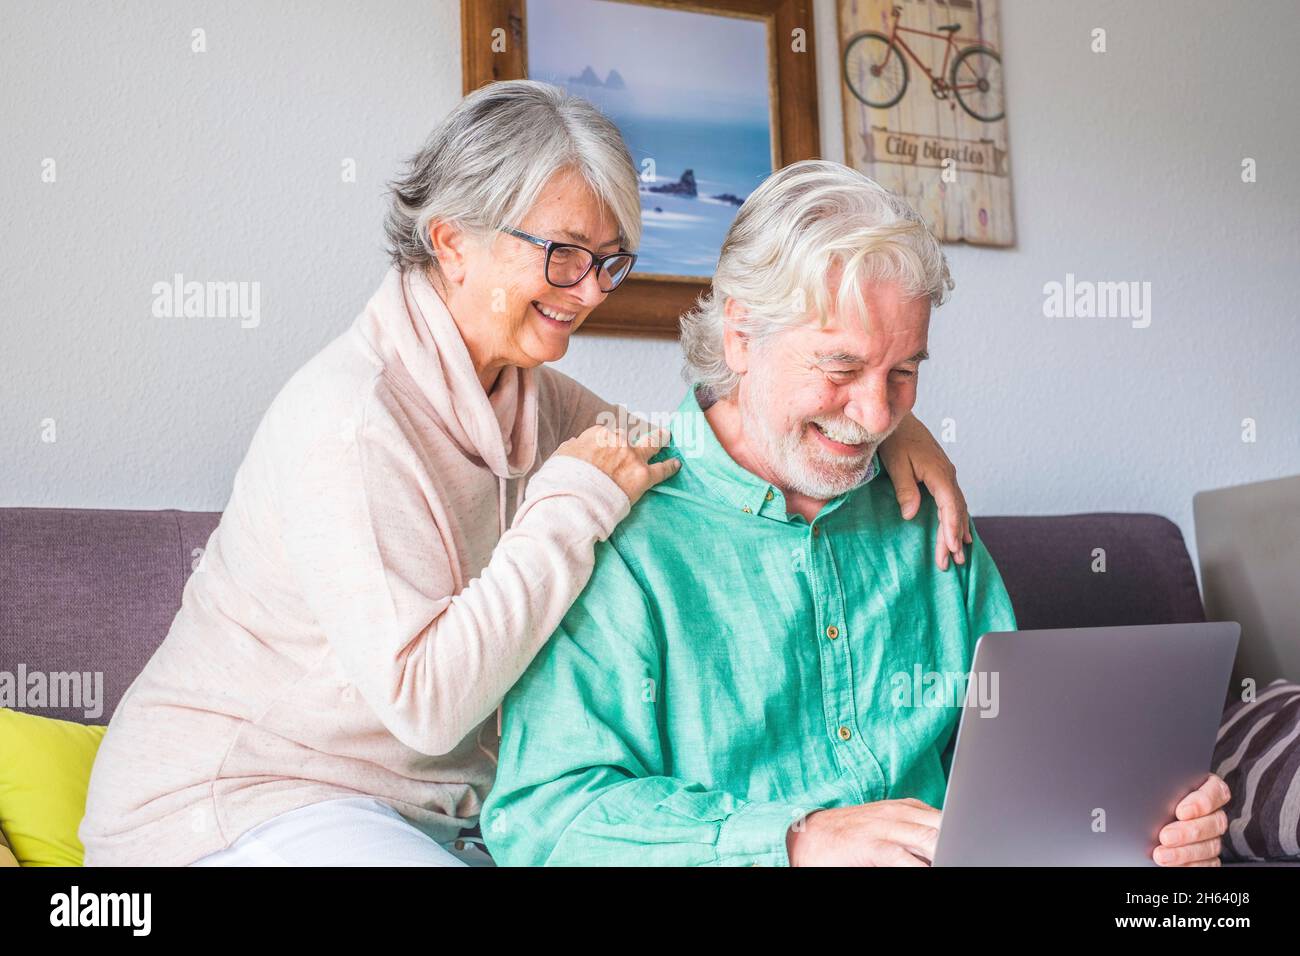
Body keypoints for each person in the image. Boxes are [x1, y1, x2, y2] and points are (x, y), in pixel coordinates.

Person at [78, 83, 973, 866]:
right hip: (238, 800)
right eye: (564, 253)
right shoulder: (349, 422)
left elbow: (695, 442)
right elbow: (425, 707)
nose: (589, 291)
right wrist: (570, 505)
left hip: (419, 817)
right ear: (452, 241)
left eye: (609, 260)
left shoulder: (525, 393)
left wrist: (878, 425)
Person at [481, 160, 1231, 867]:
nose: (876, 415)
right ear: (740, 335)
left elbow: (1024, 768)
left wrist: (1143, 820)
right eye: (841, 367)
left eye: (904, 372)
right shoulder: (624, 531)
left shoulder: (926, 514)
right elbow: (544, 818)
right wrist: (795, 839)